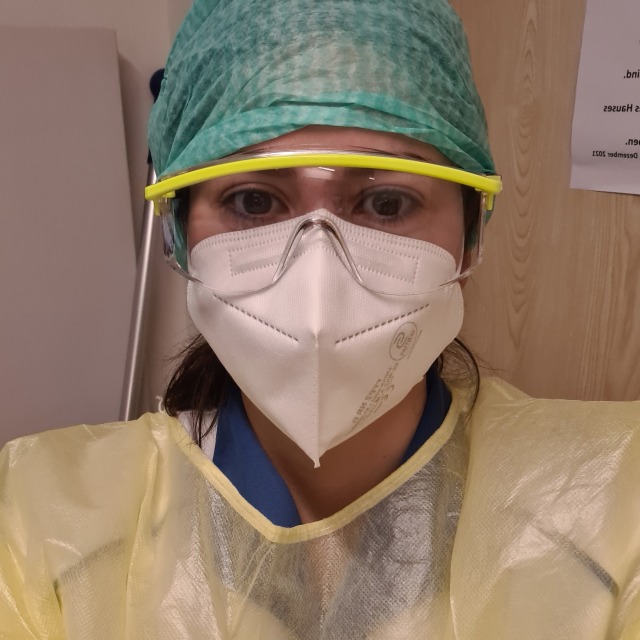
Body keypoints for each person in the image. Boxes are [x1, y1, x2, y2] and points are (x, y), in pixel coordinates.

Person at [1, 0, 639, 638]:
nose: (317, 282)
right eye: (253, 200)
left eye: (386, 203)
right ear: (179, 237)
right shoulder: (45, 529)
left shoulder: (611, 508)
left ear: (470, 238)